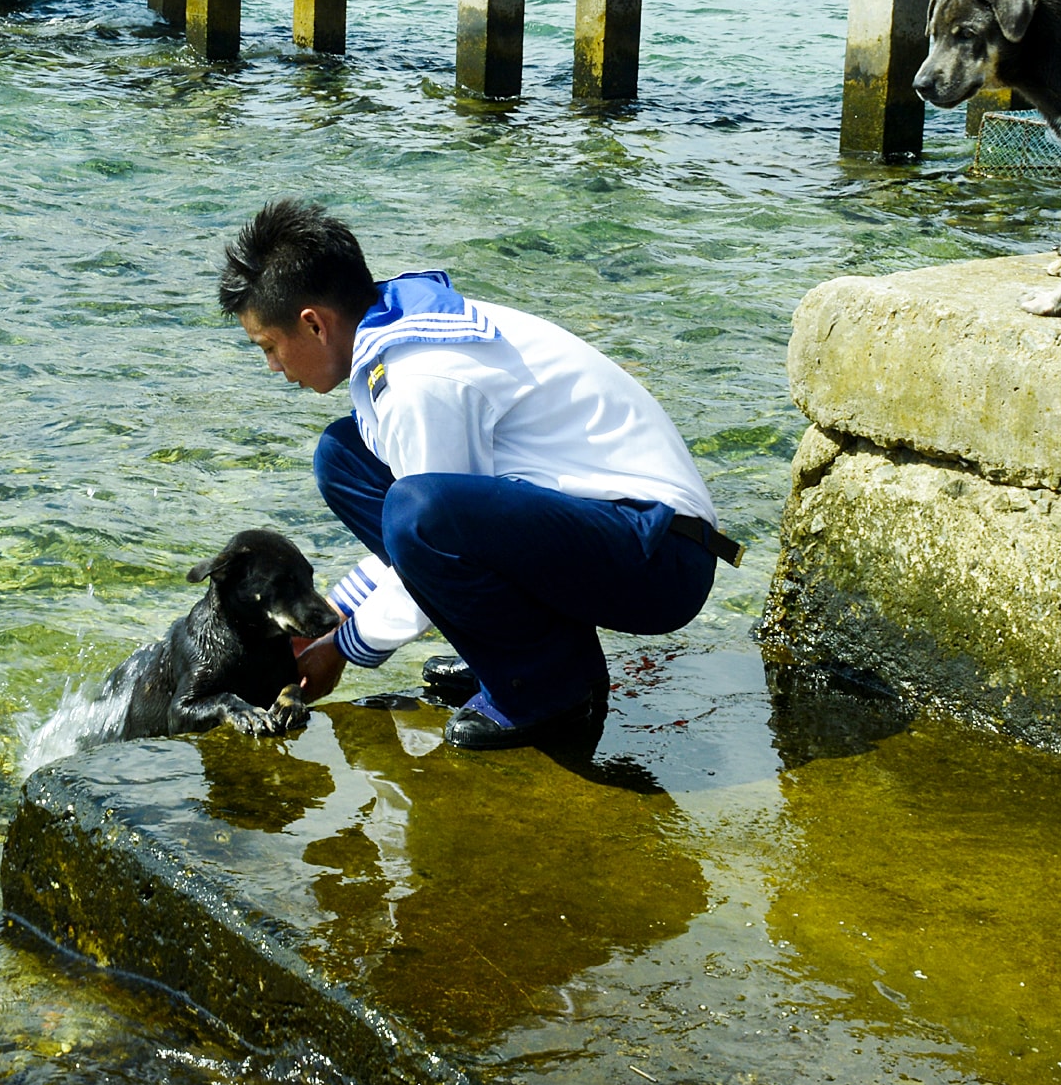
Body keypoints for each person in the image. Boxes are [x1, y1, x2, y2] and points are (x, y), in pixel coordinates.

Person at [219, 198, 730, 751]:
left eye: (269, 347)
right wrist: (331, 615)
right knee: (343, 455)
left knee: (420, 511)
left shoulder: (420, 377)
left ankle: (546, 688)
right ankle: (519, 656)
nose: (272, 366)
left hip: (660, 554)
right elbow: (422, 535)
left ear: (314, 323)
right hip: (608, 528)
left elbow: (427, 529)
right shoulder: (393, 337)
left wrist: (342, 647)